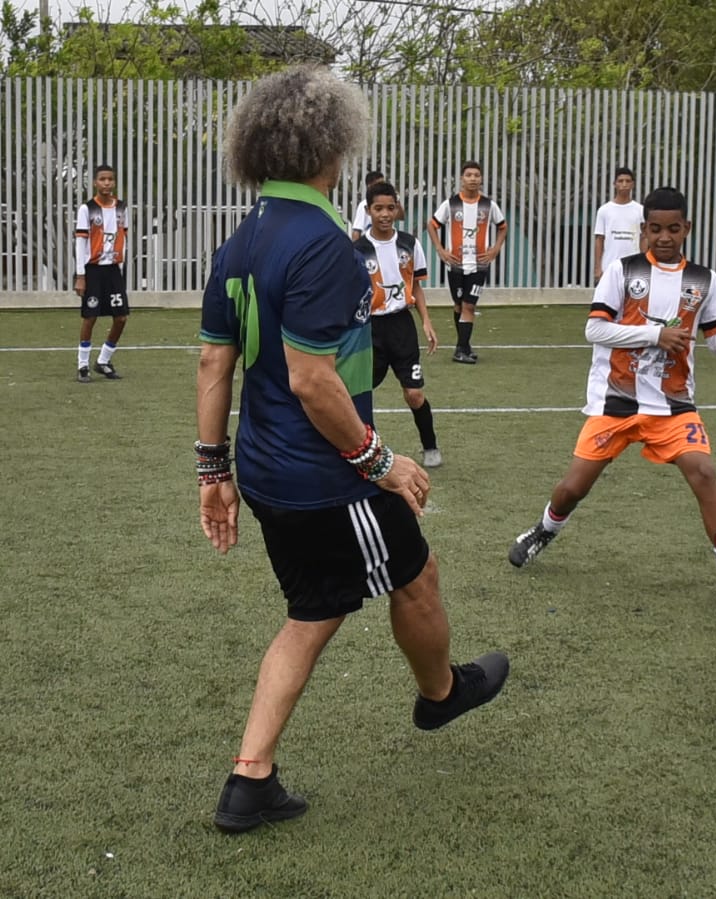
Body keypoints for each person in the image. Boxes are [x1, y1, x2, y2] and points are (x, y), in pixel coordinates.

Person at [195, 66, 508, 834]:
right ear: (330, 145)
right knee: (415, 574)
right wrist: (381, 462)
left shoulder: (238, 242)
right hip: (324, 476)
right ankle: (441, 695)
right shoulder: (328, 246)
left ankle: (251, 779)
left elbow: (214, 363)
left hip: (268, 472)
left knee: (316, 609)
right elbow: (312, 380)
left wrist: (213, 471)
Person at [506, 186, 716, 619]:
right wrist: (655, 334)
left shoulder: (704, 280)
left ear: (687, 228)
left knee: (704, 472)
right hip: (616, 401)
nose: (664, 237)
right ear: (644, 230)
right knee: (573, 488)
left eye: (673, 229)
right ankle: (545, 529)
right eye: (655, 229)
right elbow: (595, 330)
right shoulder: (621, 269)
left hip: (673, 405)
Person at [355, 181, 443, 468]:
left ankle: (430, 447)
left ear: (397, 209)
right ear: (368, 211)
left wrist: (426, 321)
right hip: (370, 330)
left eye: (390, 208)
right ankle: (367, 450)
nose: (384, 214)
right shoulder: (357, 250)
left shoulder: (409, 243)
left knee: (414, 393)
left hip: (402, 327)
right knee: (360, 392)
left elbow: (416, 286)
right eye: (378, 208)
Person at [427, 161, 507, 364]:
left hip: (479, 265)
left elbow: (503, 226)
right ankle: (464, 345)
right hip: (455, 264)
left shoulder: (488, 205)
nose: (473, 178)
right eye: (469, 175)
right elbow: (432, 224)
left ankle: (460, 349)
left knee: (469, 306)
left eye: (476, 175)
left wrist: (495, 249)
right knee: (458, 305)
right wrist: (441, 250)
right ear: (462, 178)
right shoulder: (451, 204)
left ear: (481, 179)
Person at [73, 164, 130, 382]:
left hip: (113, 269)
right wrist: (80, 275)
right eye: (102, 179)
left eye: (110, 179)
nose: (106, 183)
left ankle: (103, 360)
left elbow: (123, 238)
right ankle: (83, 365)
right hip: (93, 269)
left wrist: (120, 266)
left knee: (121, 317)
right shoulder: (87, 209)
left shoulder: (121, 208)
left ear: (114, 182)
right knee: (90, 316)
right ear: (95, 183)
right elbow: (80, 242)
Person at [593, 166, 644, 282]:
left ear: (633, 184)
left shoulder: (640, 210)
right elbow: (599, 239)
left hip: (633, 267)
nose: (624, 184)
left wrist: (644, 264)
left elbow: (644, 238)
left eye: (628, 181)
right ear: (614, 184)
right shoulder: (604, 210)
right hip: (609, 266)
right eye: (620, 181)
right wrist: (597, 268)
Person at [348, 169, 386, 240]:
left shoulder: (386, 203)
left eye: (383, 184)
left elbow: (400, 216)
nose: (382, 187)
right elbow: (357, 231)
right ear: (370, 186)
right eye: (379, 184)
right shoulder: (364, 205)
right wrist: (355, 249)